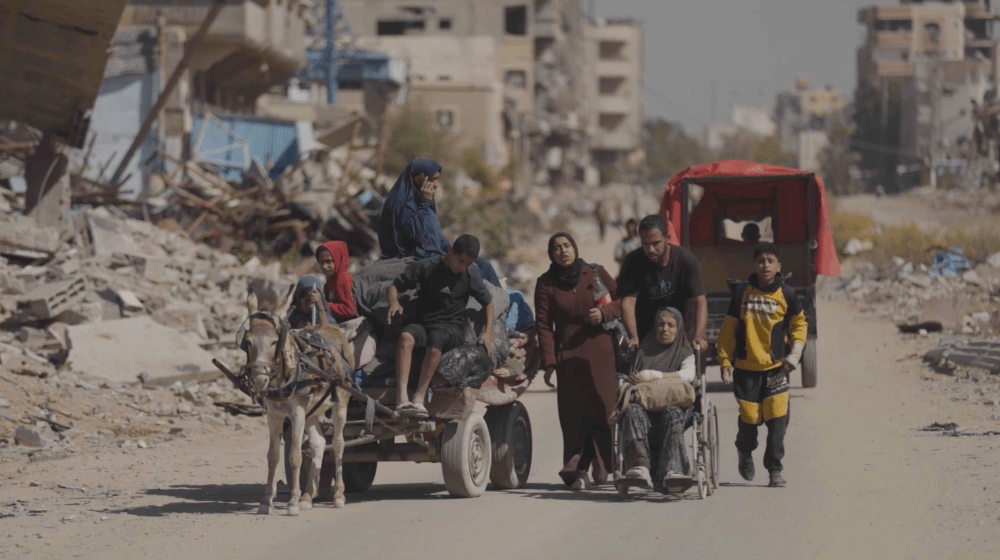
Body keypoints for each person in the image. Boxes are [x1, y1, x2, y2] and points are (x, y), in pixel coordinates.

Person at [535, 232, 622, 490]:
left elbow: (622, 301)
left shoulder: (594, 272)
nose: (563, 251)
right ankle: (577, 469)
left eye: (567, 245)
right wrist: (549, 362)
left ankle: (605, 464)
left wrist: (604, 313)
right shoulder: (545, 283)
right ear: (551, 254)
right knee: (574, 415)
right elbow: (543, 325)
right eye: (557, 248)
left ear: (575, 247)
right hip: (567, 355)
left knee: (604, 410)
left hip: (600, 351)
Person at [717, 242, 808, 488]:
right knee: (750, 418)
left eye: (770, 261)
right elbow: (729, 328)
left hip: (777, 369)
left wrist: (795, 353)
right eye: (761, 261)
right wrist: (725, 359)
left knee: (777, 421)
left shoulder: (788, 294)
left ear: (778, 266)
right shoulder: (742, 293)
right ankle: (744, 451)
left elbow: (800, 326)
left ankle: (775, 469)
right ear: (754, 264)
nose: (765, 265)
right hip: (746, 370)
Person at [387, 234, 494, 418]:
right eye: (460, 261)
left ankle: (419, 399)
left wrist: (487, 332)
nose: (462, 267)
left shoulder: (471, 274)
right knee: (405, 337)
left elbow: (489, 303)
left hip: (452, 328)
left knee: (436, 340)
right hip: (424, 324)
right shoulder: (427, 267)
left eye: (467, 264)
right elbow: (394, 286)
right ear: (450, 251)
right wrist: (394, 303)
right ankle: (402, 398)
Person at [377, 157, 501, 286]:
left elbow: (435, 234)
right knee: (473, 272)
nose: (436, 184)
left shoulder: (420, 197)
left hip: (435, 253)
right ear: (419, 176)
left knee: (485, 266)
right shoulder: (400, 202)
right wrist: (424, 204)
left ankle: (500, 302)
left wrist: (451, 251)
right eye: (432, 179)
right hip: (416, 257)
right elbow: (416, 234)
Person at [618, 308, 697, 492]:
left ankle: (673, 470)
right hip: (645, 412)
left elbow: (687, 376)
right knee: (632, 409)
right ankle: (640, 467)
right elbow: (633, 379)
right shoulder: (643, 352)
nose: (665, 329)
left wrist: (654, 376)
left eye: (671, 325)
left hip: (674, 412)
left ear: (678, 329)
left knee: (673, 412)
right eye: (661, 324)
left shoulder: (685, 352)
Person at [616, 214, 708, 352]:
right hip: (646, 335)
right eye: (645, 244)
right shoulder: (632, 261)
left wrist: (698, 336)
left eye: (656, 243)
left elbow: (699, 301)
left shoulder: (686, 260)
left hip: (682, 334)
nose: (651, 250)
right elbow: (627, 303)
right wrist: (633, 337)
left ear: (667, 238)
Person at [315, 241, 357, 323]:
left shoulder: (343, 278)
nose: (324, 266)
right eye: (321, 262)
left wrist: (323, 305)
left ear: (338, 259)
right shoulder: (331, 279)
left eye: (328, 261)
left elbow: (350, 310)